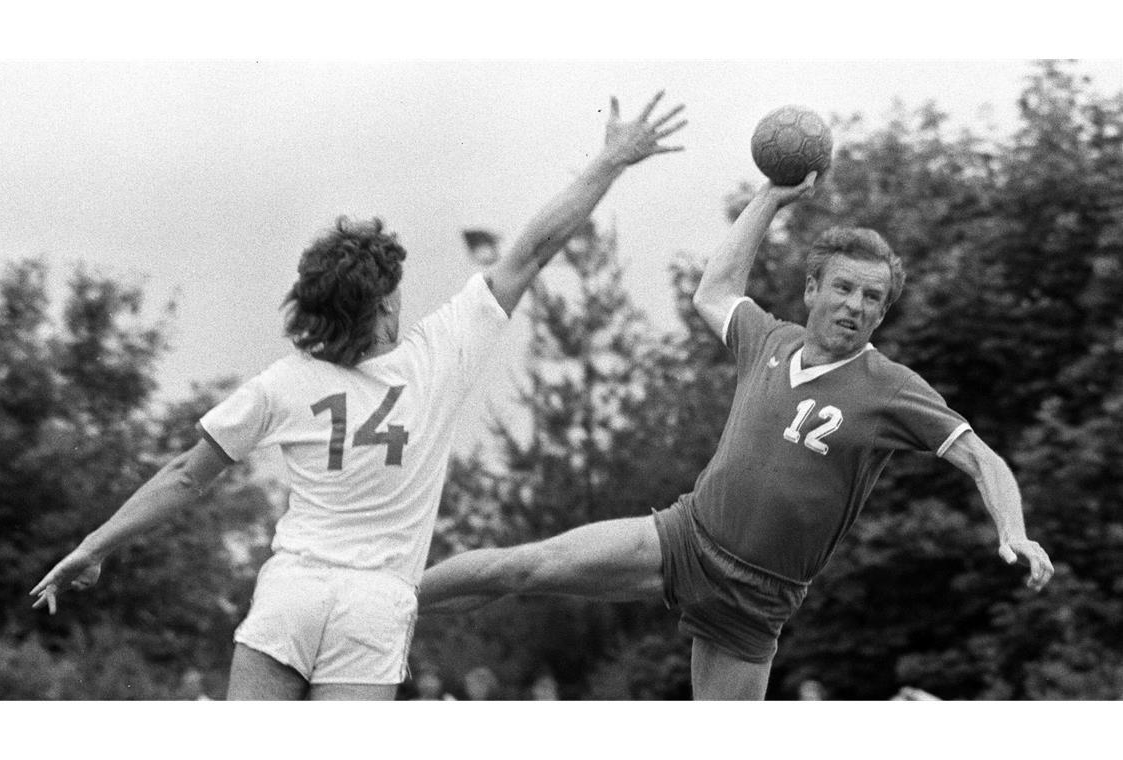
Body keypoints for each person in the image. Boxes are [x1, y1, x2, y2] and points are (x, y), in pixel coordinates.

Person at [28, 91, 687, 700]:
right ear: (379, 309)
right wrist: (611, 160)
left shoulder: (283, 382)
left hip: (292, 594)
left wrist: (96, 544)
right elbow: (533, 250)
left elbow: (183, 477)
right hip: (375, 609)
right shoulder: (438, 357)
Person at [415, 172, 1055, 700]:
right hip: (684, 539)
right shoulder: (768, 339)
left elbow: (982, 458)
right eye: (844, 287)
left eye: (873, 297)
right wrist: (770, 199)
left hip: (755, 600)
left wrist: (1013, 530)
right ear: (812, 290)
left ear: (883, 312)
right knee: (526, 564)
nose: (857, 305)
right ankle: (393, 599)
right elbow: (714, 289)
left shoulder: (889, 388)